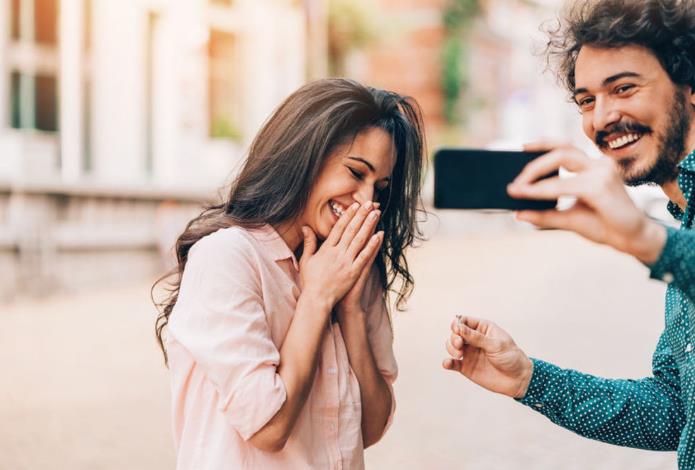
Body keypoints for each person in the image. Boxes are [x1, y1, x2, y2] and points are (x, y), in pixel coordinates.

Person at [443, 0, 695, 467]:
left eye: (624, 88)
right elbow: (677, 413)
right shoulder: (684, 224)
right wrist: (529, 379)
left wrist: (646, 239)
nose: (601, 119)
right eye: (587, 101)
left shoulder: (670, 241)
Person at [153, 78, 425, 469]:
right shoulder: (227, 258)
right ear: (306, 156)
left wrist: (350, 310)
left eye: (379, 187)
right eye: (356, 173)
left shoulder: (354, 269)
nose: (367, 201)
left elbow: (372, 426)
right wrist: (317, 298)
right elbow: (268, 426)